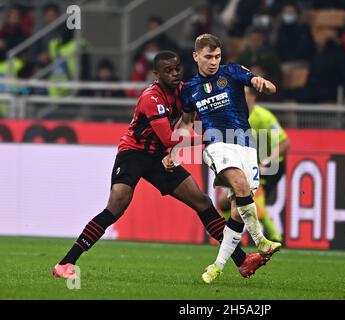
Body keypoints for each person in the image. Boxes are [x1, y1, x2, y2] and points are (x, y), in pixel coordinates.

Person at [52, 51, 268, 280]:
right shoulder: (151, 98)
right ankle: (66, 263)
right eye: (168, 70)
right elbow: (169, 138)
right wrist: (210, 137)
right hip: (133, 154)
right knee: (115, 208)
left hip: (159, 158)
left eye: (177, 68)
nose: (175, 74)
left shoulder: (184, 90)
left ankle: (242, 261)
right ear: (157, 74)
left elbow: (188, 123)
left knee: (202, 202)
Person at [169, 34, 281, 284]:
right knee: (240, 185)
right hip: (217, 145)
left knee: (237, 211)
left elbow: (271, 88)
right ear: (196, 56)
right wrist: (178, 144)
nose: (213, 62)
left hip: (246, 146)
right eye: (208, 57)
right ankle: (261, 241)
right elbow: (187, 123)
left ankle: (217, 266)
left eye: (217, 56)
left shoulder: (233, 72)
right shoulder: (189, 89)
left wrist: (263, 83)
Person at [218, 87, 289, 242]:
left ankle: (276, 236)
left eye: (244, 95)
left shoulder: (264, 117)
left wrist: (267, 161)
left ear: (253, 98)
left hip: (270, 166)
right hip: (249, 166)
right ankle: (226, 235)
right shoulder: (232, 118)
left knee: (252, 199)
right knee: (223, 202)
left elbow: (284, 143)